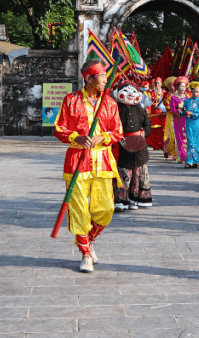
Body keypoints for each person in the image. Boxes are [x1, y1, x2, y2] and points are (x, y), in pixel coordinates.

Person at [53, 59, 123, 273]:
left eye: (105, 76)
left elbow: (117, 132)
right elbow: (59, 128)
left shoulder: (109, 102)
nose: (104, 80)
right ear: (88, 78)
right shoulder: (71, 100)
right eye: (101, 76)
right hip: (77, 161)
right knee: (79, 210)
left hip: (102, 161)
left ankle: (88, 240)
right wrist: (77, 137)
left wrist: (102, 137)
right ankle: (85, 253)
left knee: (106, 209)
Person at [112, 81, 153, 210]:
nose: (130, 94)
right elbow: (111, 126)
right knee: (123, 174)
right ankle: (120, 200)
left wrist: (144, 133)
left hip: (139, 147)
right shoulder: (115, 108)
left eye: (133, 91)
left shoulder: (141, 109)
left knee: (137, 174)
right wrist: (118, 137)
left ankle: (134, 200)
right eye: (126, 90)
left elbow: (147, 124)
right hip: (122, 145)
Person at [183, 81, 199, 168]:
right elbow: (183, 112)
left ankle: (197, 161)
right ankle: (189, 160)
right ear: (191, 91)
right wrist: (181, 111)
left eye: (197, 91)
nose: (195, 93)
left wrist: (192, 113)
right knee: (190, 141)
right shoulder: (187, 101)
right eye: (193, 91)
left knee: (198, 142)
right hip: (190, 123)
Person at [169, 76, 190, 163]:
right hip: (177, 120)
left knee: (186, 137)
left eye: (184, 87)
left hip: (185, 120)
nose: (182, 88)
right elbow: (172, 109)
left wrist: (186, 112)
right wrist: (178, 112)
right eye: (181, 86)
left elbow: (189, 107)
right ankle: (180, 157)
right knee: (178, 138)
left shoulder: (187, 97)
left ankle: (186, 156)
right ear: (177, 87)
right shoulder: (173, 97)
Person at [162, 77, 178, 160]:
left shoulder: (180, 95)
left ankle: (177, 152)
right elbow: (168, 107)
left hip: (179, 117)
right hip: (170, 116)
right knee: (170, 135)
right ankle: (170, 151)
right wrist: (176, 109)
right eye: (170, 86)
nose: (172, 88)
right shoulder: (167, 96)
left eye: (174, 86)